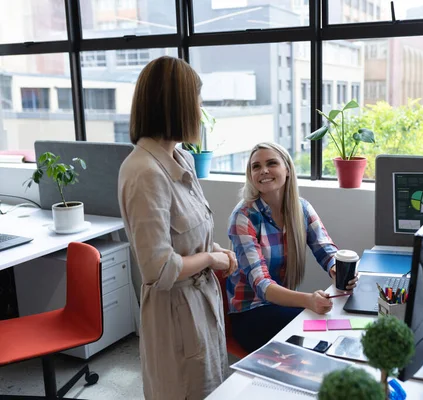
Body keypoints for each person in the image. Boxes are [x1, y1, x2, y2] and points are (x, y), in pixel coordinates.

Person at [118, 56, 237, 400]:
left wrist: (213, 250)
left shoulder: (180, 157)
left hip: (201, 304)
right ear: (177, 104)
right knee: (186, 390)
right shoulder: (144, 171)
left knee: (211, 387)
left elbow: (190, 234)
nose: (200, 110)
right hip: (175, 313)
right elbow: (158, 268)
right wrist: (211, 261)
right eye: (197, 101)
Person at [227, 142, 357, 353]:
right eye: (256, 166)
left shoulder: (301, 208)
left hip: (284, 307)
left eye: (271, 163)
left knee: (337, 325)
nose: (264, 171)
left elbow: (326, 250)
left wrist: (339, 271)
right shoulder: (243, 217)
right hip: (252, 314)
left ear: (287, 170)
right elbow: (262, 285)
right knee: (324, 331)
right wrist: (308, 300)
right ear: (250, 175)